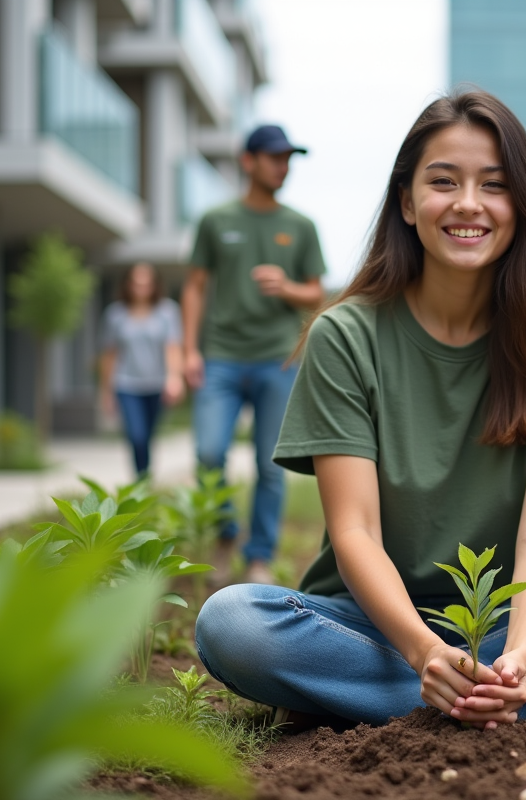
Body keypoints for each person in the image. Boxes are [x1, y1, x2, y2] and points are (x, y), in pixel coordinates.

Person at [195, 91, 526, 733]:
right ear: (407, 201)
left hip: (509, 618)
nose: (467, 203)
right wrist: (424, 650)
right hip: (367, 620)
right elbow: (355, 534)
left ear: (522, 206)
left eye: (495, 184)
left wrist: (517, 657)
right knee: (233, 623)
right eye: (443, 181)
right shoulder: (345, 336)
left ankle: (360, 699)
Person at [181, 124, 326, 586]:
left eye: (288, 159)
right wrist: (188, 350)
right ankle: (226, 536)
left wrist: (287, 287)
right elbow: (196, 286)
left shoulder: (301, 226)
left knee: (270, 465)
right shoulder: (216, 220)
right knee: (208, 454)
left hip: (277, 360)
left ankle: (259, 555)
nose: (283, 167)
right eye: (274, 158)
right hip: (221, 357)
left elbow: (316, 294)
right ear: (248, 162)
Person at [99, 263, 184, 476]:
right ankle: (141, 478)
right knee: (136, 435)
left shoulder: (167, 311)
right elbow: (110, 354)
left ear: (155, 285)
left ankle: (144, 480)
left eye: (146, 283)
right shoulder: (115, 314)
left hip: (157, 384)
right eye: (137, 283)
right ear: (127, 285)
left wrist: (174, 378)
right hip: (126, 384)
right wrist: (106, 391)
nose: (141, 288)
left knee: (147, 436)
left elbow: (172, 347)